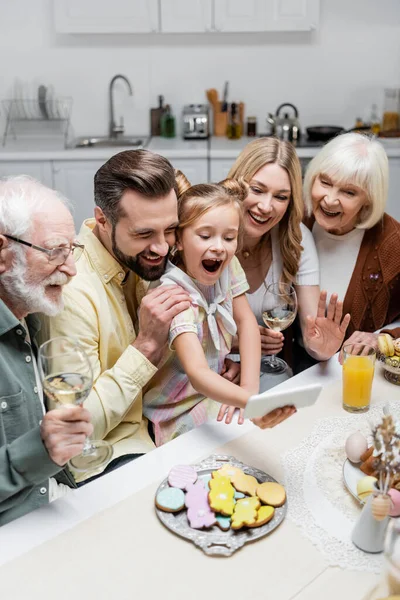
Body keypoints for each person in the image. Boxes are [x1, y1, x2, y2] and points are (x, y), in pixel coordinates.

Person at [40, 150, 242, 483]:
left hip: (165, 419)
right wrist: (145, 346)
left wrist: (223, 357)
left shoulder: (148, 261)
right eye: (144, 234)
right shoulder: (74, 294)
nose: (162, 248)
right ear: (103, 220)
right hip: (114, 452)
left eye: (170, 230)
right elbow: (77, 427)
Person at [0, 176, 92, 526]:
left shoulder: (31, 315)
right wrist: (40, 451)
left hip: (58, 497)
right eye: (54, 251)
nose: (71, 269)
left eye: (71, 250)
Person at [142, 177, 261, 446]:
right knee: (237, 443)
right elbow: (197, 372)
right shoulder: (173, 294)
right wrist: (249, 401)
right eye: (205, 236)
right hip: (176, 408)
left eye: (229, 237)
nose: (219, 246)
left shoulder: (229, 267)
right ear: (179, 240)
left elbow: (246, 323)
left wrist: (249, 388)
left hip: (216, 391)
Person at [227, 137, 350, 376]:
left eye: (280, 197)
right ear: (237, 185)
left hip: (266, 370)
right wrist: (230, 342)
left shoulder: (297, 240)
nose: (266, 206)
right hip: (209, 369)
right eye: (257, 190)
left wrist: (321, 346)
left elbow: (311, 327)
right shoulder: (207, 233)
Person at [303, 132, 400, 359]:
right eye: (325, 182)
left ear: (368, 198)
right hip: (294, 373)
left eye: (348, 192)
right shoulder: (294, 221)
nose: (330, 199)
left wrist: (383, 336)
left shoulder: (392, 243)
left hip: (354, 374)